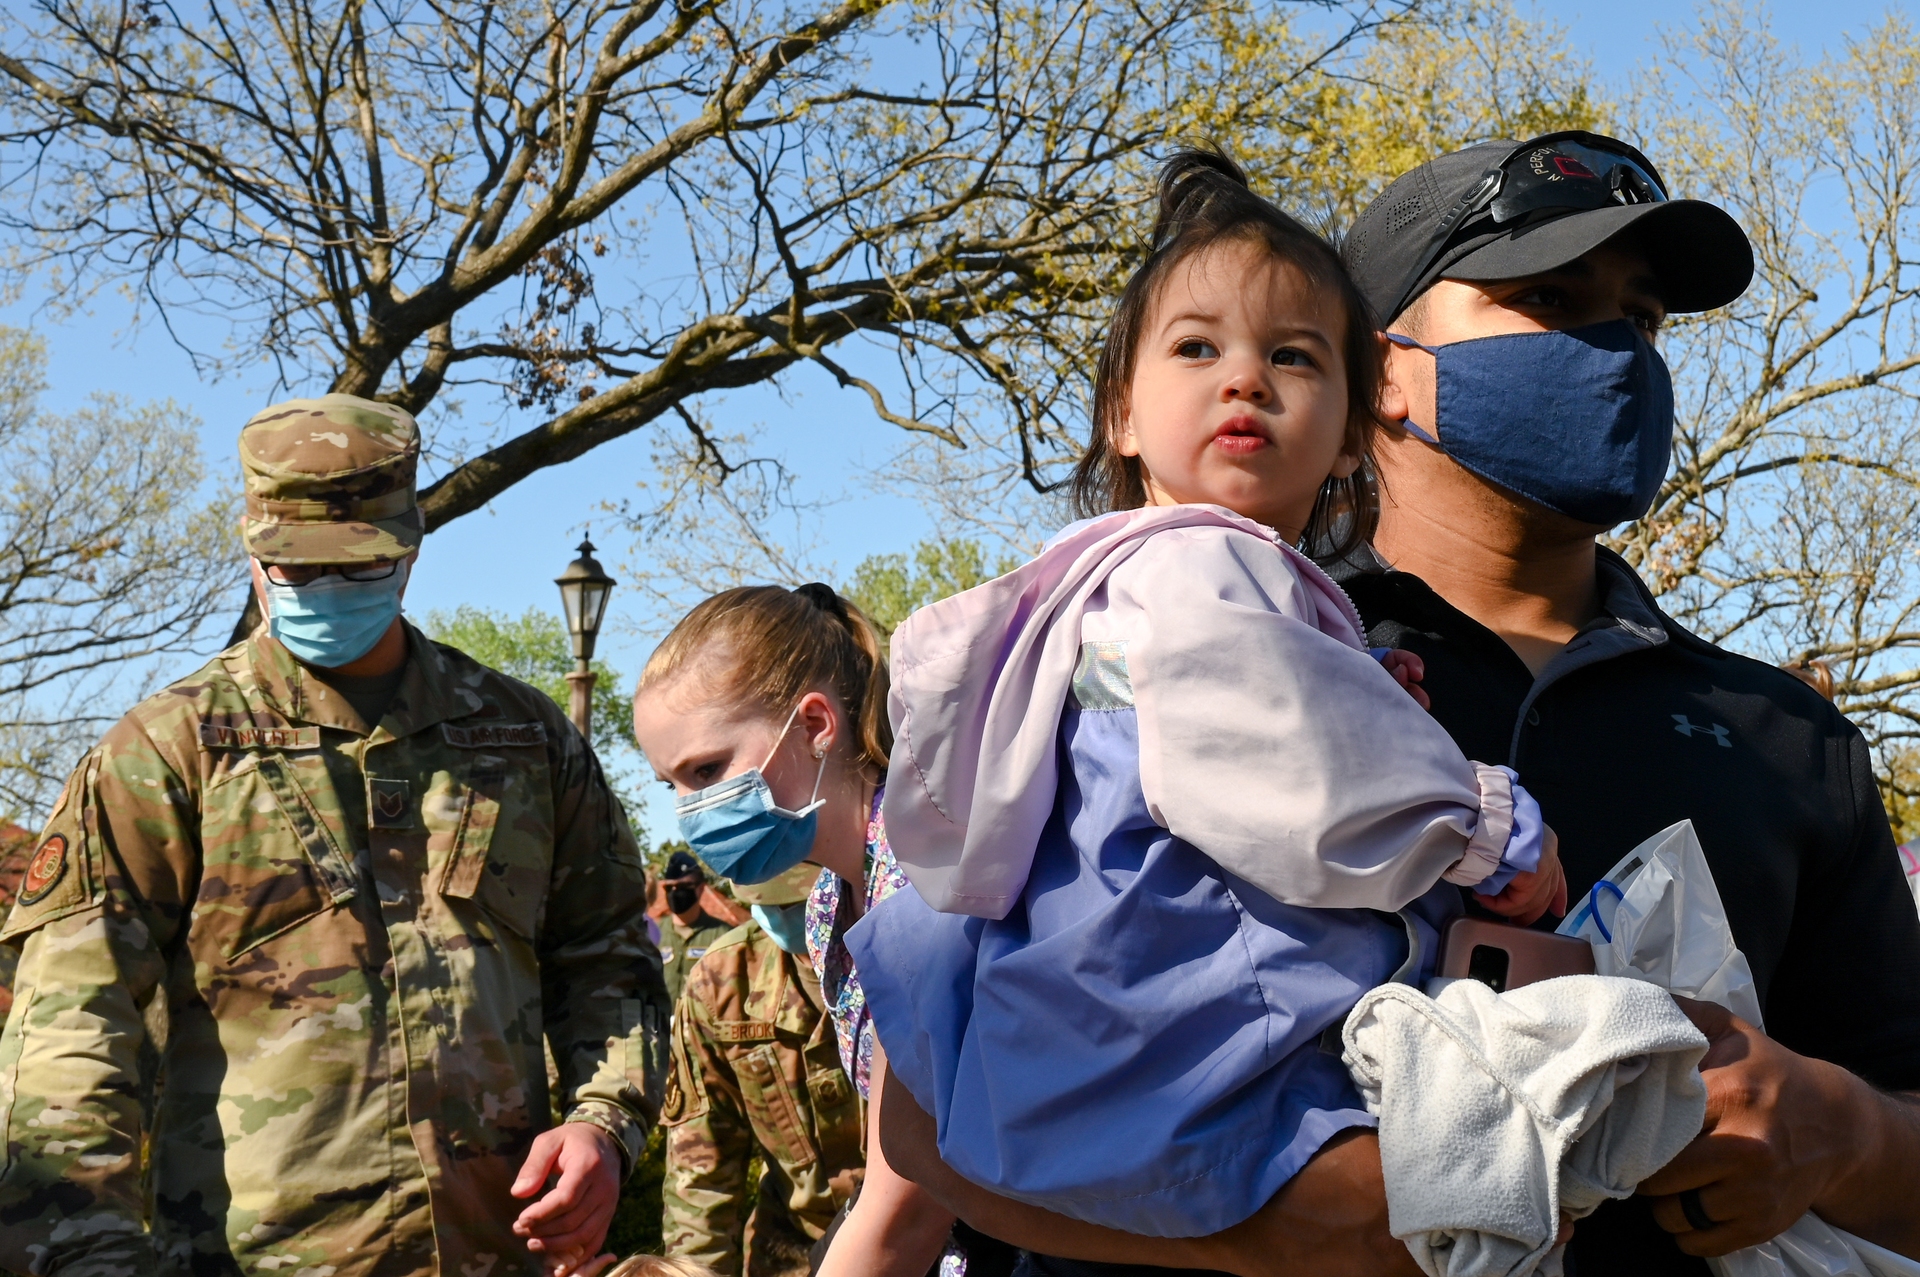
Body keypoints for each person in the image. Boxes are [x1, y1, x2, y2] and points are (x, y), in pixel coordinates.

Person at [880, 133, 1920, 1274]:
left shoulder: (1782, 734)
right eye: (1549, 298)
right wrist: (1276, 1223)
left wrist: (1847, 1136)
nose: (1615, 347)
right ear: (1381, 369)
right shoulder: (1165, 641)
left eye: (1642, 314)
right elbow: (923, 1118)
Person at [837, 149, 1561, 1243]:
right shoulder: (1202, 564)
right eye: (1197, 348)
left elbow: (1238, 706)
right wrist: (1485, 825)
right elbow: (1299, 762)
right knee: (1493, 1187)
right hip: (1204, 1039)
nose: (1246, 378)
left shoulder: (1128, 575)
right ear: (1123, 415)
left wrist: (1355, 679)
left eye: (1293, 356)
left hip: (1101, 1030)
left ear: (1351, 428)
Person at [0, 394, 669, 1276]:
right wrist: (86, 1251)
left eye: (357, 567)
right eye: (297, 569)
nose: (326, 590)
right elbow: (73, 1027)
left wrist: (604, 1123)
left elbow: (611, 960)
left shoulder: (524, 739)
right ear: (251, 554)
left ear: (412, 546)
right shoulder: (166, 754)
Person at [631, 584, 1014, 1277]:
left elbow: (909, 1204)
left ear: (814, 724)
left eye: (707, 770)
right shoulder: (830, 905)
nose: (689, 813)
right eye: (672, 786)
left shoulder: (926, 876)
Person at [659, 863, 865, 1277]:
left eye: (793, 901)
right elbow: (701, 1176)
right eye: (762, 901)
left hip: (936, 1241)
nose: (779, 913)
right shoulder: (723, 984)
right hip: (794, 1250)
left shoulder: (906, 956)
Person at [660, 847, 741, 1003]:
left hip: (703, 1025)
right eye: (670, 888)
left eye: (684, 887)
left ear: (701, 888)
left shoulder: (723, 936)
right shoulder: (652, 934)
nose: (676, 892)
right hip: (659, 1025)